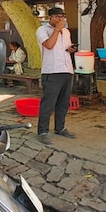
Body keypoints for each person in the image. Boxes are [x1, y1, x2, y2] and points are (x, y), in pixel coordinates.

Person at [35, 8, 77, 145]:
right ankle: (42, 131)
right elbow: (49, 45)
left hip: (67, 69)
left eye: (62, 17)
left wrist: (70, 49)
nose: (60, 19)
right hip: (52, 71)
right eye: (57, 17)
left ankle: (60, 127)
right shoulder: (42, 30)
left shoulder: (66, 32)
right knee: (48, 103)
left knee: (63, 102)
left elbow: (65, 48)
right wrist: (57, 30)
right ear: (50, 18)